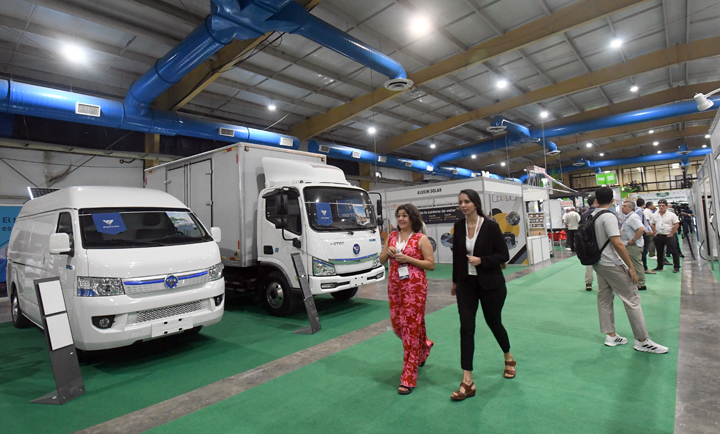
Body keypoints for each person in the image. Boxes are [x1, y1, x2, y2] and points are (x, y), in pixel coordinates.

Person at [449, 189, 514, 401]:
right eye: (460, 202)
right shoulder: (459, 226)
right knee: (466, 328)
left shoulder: (491, 226)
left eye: (467, 201)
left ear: (475, 204)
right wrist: (455, 281)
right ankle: (467, 381)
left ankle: (508, 357)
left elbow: (504, 254)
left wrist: (481, 261)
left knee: (494, 323)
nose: (463, 205)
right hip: (466, 284)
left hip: (491, 285)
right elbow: (458, 257)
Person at [590, 187, 668, 353]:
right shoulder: (608, 216)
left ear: (596, 200)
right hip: (611, 263)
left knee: (604, 297)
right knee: (632, 298)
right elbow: (617, 243)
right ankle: (642, 340)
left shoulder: (592, 215)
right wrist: (630, 267)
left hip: (598, 262)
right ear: (613, 201)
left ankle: (611, 335)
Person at [379, 204, 435, 395]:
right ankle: (423, 346)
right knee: (399, 326)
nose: (401, 219)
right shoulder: (392, 236)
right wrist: (388, 252)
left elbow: (430, 264)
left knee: (410, 329)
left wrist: (409, 259)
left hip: (415, 288)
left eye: (405, 215)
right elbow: (381, 260)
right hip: (395, 286)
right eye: (399, 215)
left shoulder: (421, 239)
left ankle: (408, 377)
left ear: (412, 218)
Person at [621, 201, 647, 291]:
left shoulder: (633, 217)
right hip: (629, 245)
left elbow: (642, 229)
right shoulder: (628, 217)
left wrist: (633, 240)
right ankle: (636, 281)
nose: (622, 207)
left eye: (624, 206)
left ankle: (641, 283)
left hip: (634, 246)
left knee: (636, 264)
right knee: (632, 264)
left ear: (630, 208)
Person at [650, 199, 681, 273]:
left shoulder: (671, 215)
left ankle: (676, 267)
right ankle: (659, 266)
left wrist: (672, 233)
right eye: (660, 206)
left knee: (674, 251)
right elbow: (652, 223)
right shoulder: (655, 215)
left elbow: (676, 224)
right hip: (659, 235)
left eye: (663, 206)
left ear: (666, 206)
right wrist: (654, 231)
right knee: (659, 252)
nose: (661, 207)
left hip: (669, 236)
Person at [580, 195, 598, 291]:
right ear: (595, 201)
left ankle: (588, 282)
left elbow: (580, 227)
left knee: (589, 264)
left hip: (588, 242)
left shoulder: (584, 214)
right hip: (599, 241)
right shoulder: (600, 213)